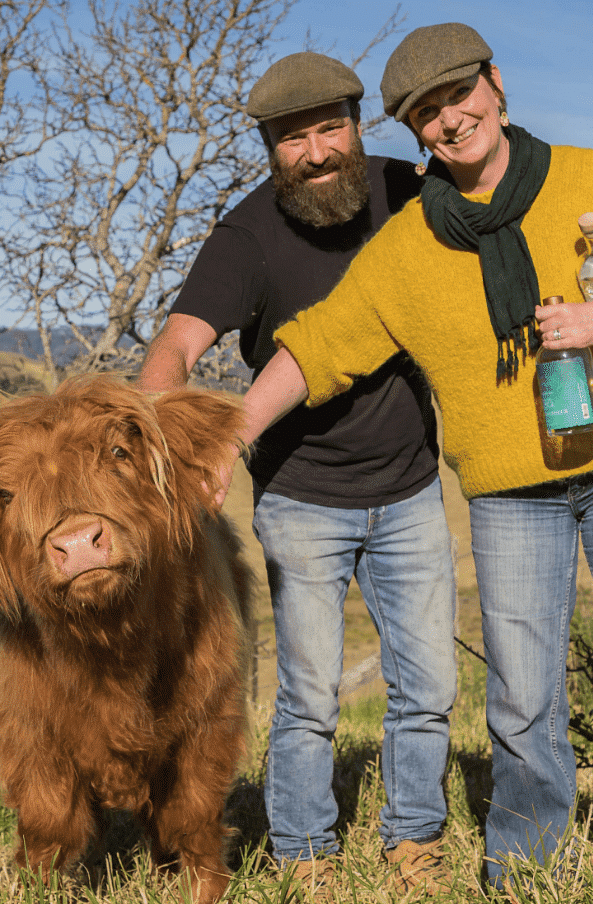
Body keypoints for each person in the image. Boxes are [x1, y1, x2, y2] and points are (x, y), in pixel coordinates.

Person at [226, 23, 593, 886]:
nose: (451, 120)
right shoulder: (410, 248)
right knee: (523, 703)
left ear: (495, 85)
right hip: (510, 497)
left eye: (460, 95)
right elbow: (319, 345)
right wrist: (231, 434)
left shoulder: (591, 179)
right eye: (426, 112)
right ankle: (525, 868)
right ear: (413, 131)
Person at [133, 52, 460, 896]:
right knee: (309, 697)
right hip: (302, 498)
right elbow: (176, 345)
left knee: (428, 685)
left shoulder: (409, 193)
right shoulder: (246, 236)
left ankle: (414, 842)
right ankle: (306, 852)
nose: (315, 152)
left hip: (412, 487)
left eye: (329, 128)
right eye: (292, 138)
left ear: (358, 124)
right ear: (268, 148)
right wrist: (163, 442)